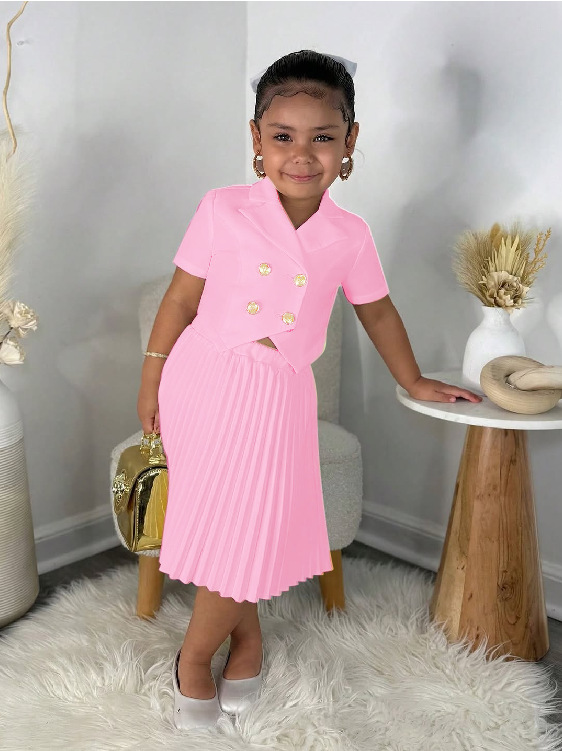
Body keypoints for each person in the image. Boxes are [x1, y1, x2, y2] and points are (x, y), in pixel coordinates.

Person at [137, 49, 482, 730]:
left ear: (349, 141)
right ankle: (200, 658)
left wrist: (412, 378)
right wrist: (151, 376)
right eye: (282, 136)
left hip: (280, 395)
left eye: (322, 136)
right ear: (256, 138)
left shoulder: (349, 235)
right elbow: (180, 298)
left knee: (250, 526)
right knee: (228, 525)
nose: (301, 154)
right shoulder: (222, 208)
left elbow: (377, 311)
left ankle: (234, 642)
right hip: (205, 381)